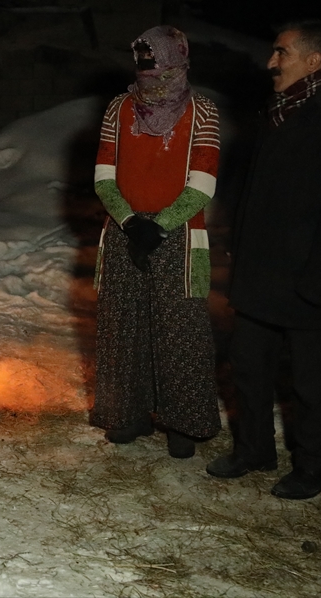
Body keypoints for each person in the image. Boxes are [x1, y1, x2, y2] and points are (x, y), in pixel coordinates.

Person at [207, 20, 321, 500]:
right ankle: (254, 450)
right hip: (260, 271)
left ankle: (315, 466)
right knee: (248, 364)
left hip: (307, 277)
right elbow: (253, 189)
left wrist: (319, 279)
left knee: (308, 379)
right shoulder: (279, 110)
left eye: (281, 53)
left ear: (313, 60)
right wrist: (236, 244)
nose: (270, 63)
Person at [91, 25, 222, 458]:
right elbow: (104, 176)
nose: (147, 69)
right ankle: (127, 414)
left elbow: (202, 184)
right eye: (141, 60)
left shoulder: (202, 112)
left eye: (154, 59)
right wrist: (130, 222)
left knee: (179, 328)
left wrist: (160, 225)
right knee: (123, 324)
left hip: (179, 235)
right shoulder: (118, 108)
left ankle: (182, 423)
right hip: (124, 230)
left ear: (175, 58)